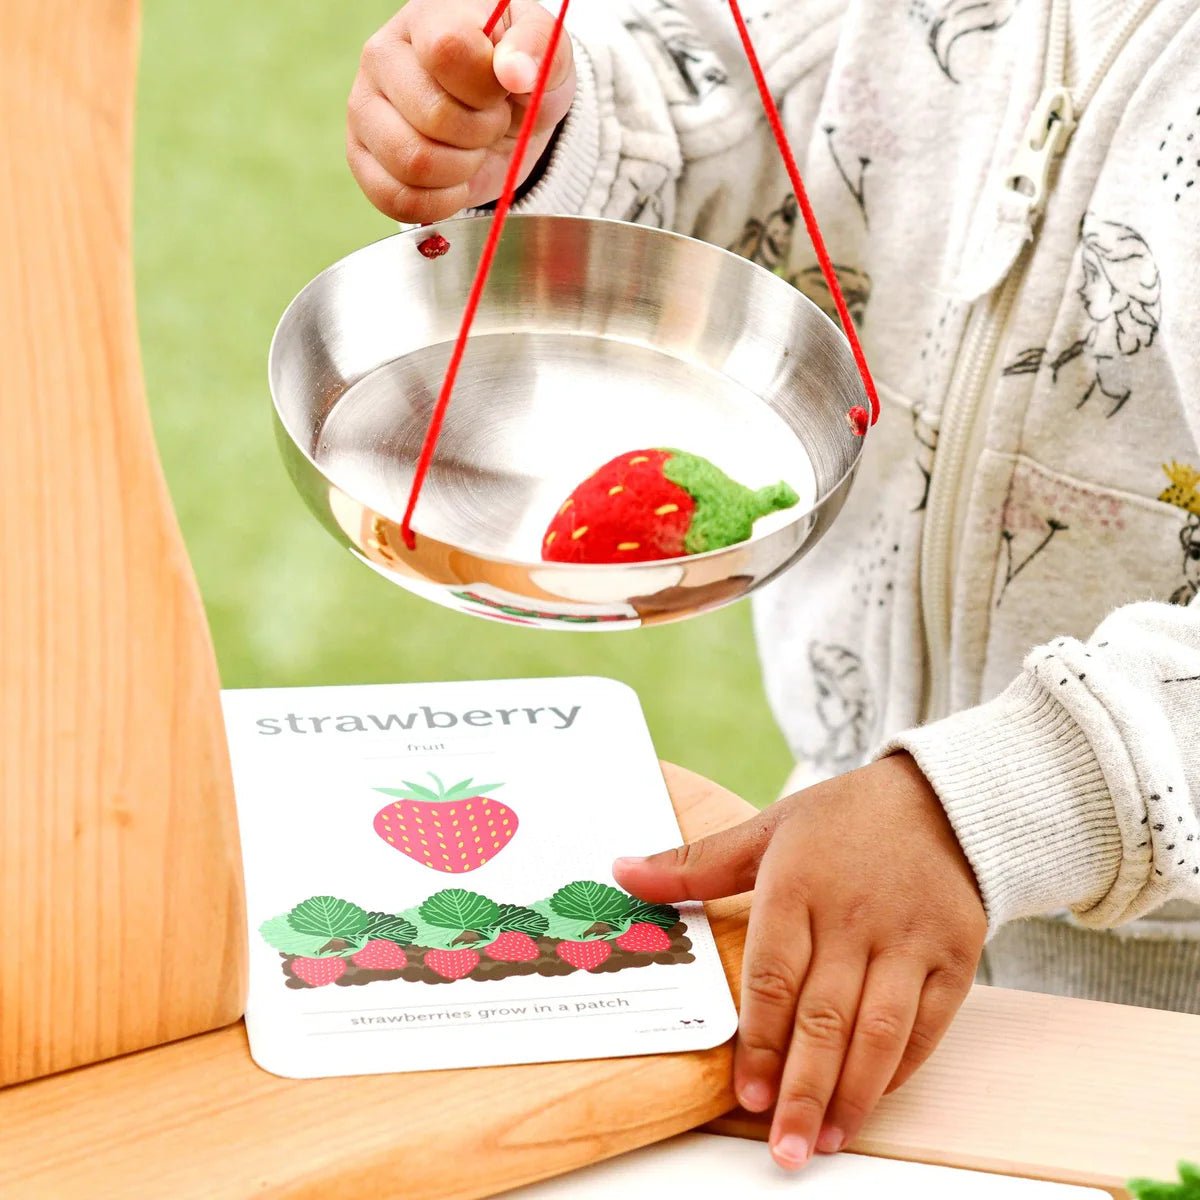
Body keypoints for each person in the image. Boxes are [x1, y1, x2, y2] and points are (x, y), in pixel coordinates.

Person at [346, 0, 1200, 1170]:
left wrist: (983, 809)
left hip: (1162, 1024)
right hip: (845, 891)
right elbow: (736, 80)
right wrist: (554, 119)